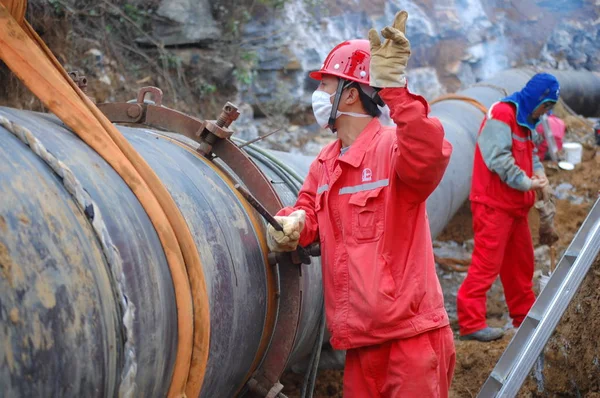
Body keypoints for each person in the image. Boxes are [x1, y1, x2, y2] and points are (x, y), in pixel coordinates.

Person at [266, 11, 456, 397]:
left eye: (327, 85)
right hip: (359, 344)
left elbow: (429, 154)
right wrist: (292, 225)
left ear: (350, 93)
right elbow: (307, 213)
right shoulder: (325, 163)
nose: (319, 96)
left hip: (410, 340)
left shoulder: (392, 149)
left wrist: (396, 90)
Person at [456, 73, 561, 342]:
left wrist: (539, 175)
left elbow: (533, 154)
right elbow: (496, 158)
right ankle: (470, 324)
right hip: (494, 205)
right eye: (546, 105)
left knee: (521, 266)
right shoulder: (502, 115)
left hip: (515, 207)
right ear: (538, 98)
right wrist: (525, 182)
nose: (546, 112)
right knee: (486, 265)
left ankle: (524, 319)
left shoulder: (528, 121)